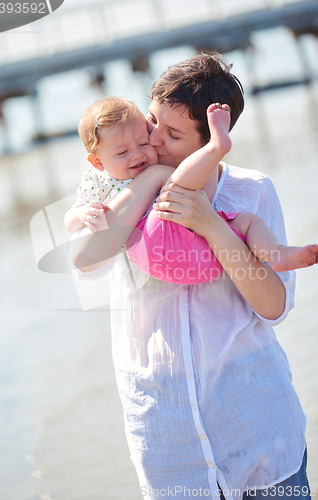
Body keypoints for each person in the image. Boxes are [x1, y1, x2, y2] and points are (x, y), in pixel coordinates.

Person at [69, 53, 311, 500]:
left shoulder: (250, 190)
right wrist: (153, 179)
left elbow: (274, 308)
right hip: (167, 436)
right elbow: (84, 258)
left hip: (257, 428)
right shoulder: (120, 181)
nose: (152, 140)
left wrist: (213, 226)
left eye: (173, 134)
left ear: (207, 141)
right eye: (153, 120)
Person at [65, 97, 318, 285]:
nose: (138, 154)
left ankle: (277, 253)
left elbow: (200, 194)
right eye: (122, 152)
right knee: (183, 185)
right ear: (97, 162)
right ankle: (216, 147)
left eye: (143, 142)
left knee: (247, 222)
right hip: (150, 246)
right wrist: (82, 214)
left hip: (195, 249)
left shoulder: (156, 167)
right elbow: (71, 222)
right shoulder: (96, 182)